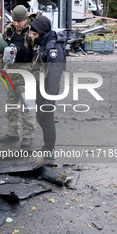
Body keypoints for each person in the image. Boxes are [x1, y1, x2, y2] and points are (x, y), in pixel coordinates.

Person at [0, 5, 36, 148]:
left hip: (26, 72)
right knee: (11, 105)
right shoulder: (9, 30)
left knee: (27, 106)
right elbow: (2, 50)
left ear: (25, 19)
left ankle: (28, 135)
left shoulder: (32, 31)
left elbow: (37, 54)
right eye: (14, 20)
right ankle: (12, 133)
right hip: (11, 72)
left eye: (19, 21)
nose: (16, 23)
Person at [29, 15, 67, 158]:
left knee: (47, 117)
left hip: (49, 89)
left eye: (34, 33)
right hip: (40, 86)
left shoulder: (53, 48)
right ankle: (47, 147)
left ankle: (49, 150)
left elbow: (54, 74)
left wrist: (49, 96)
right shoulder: (42, 42)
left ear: (42, 31)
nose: (32, 36)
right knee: (41, 116)